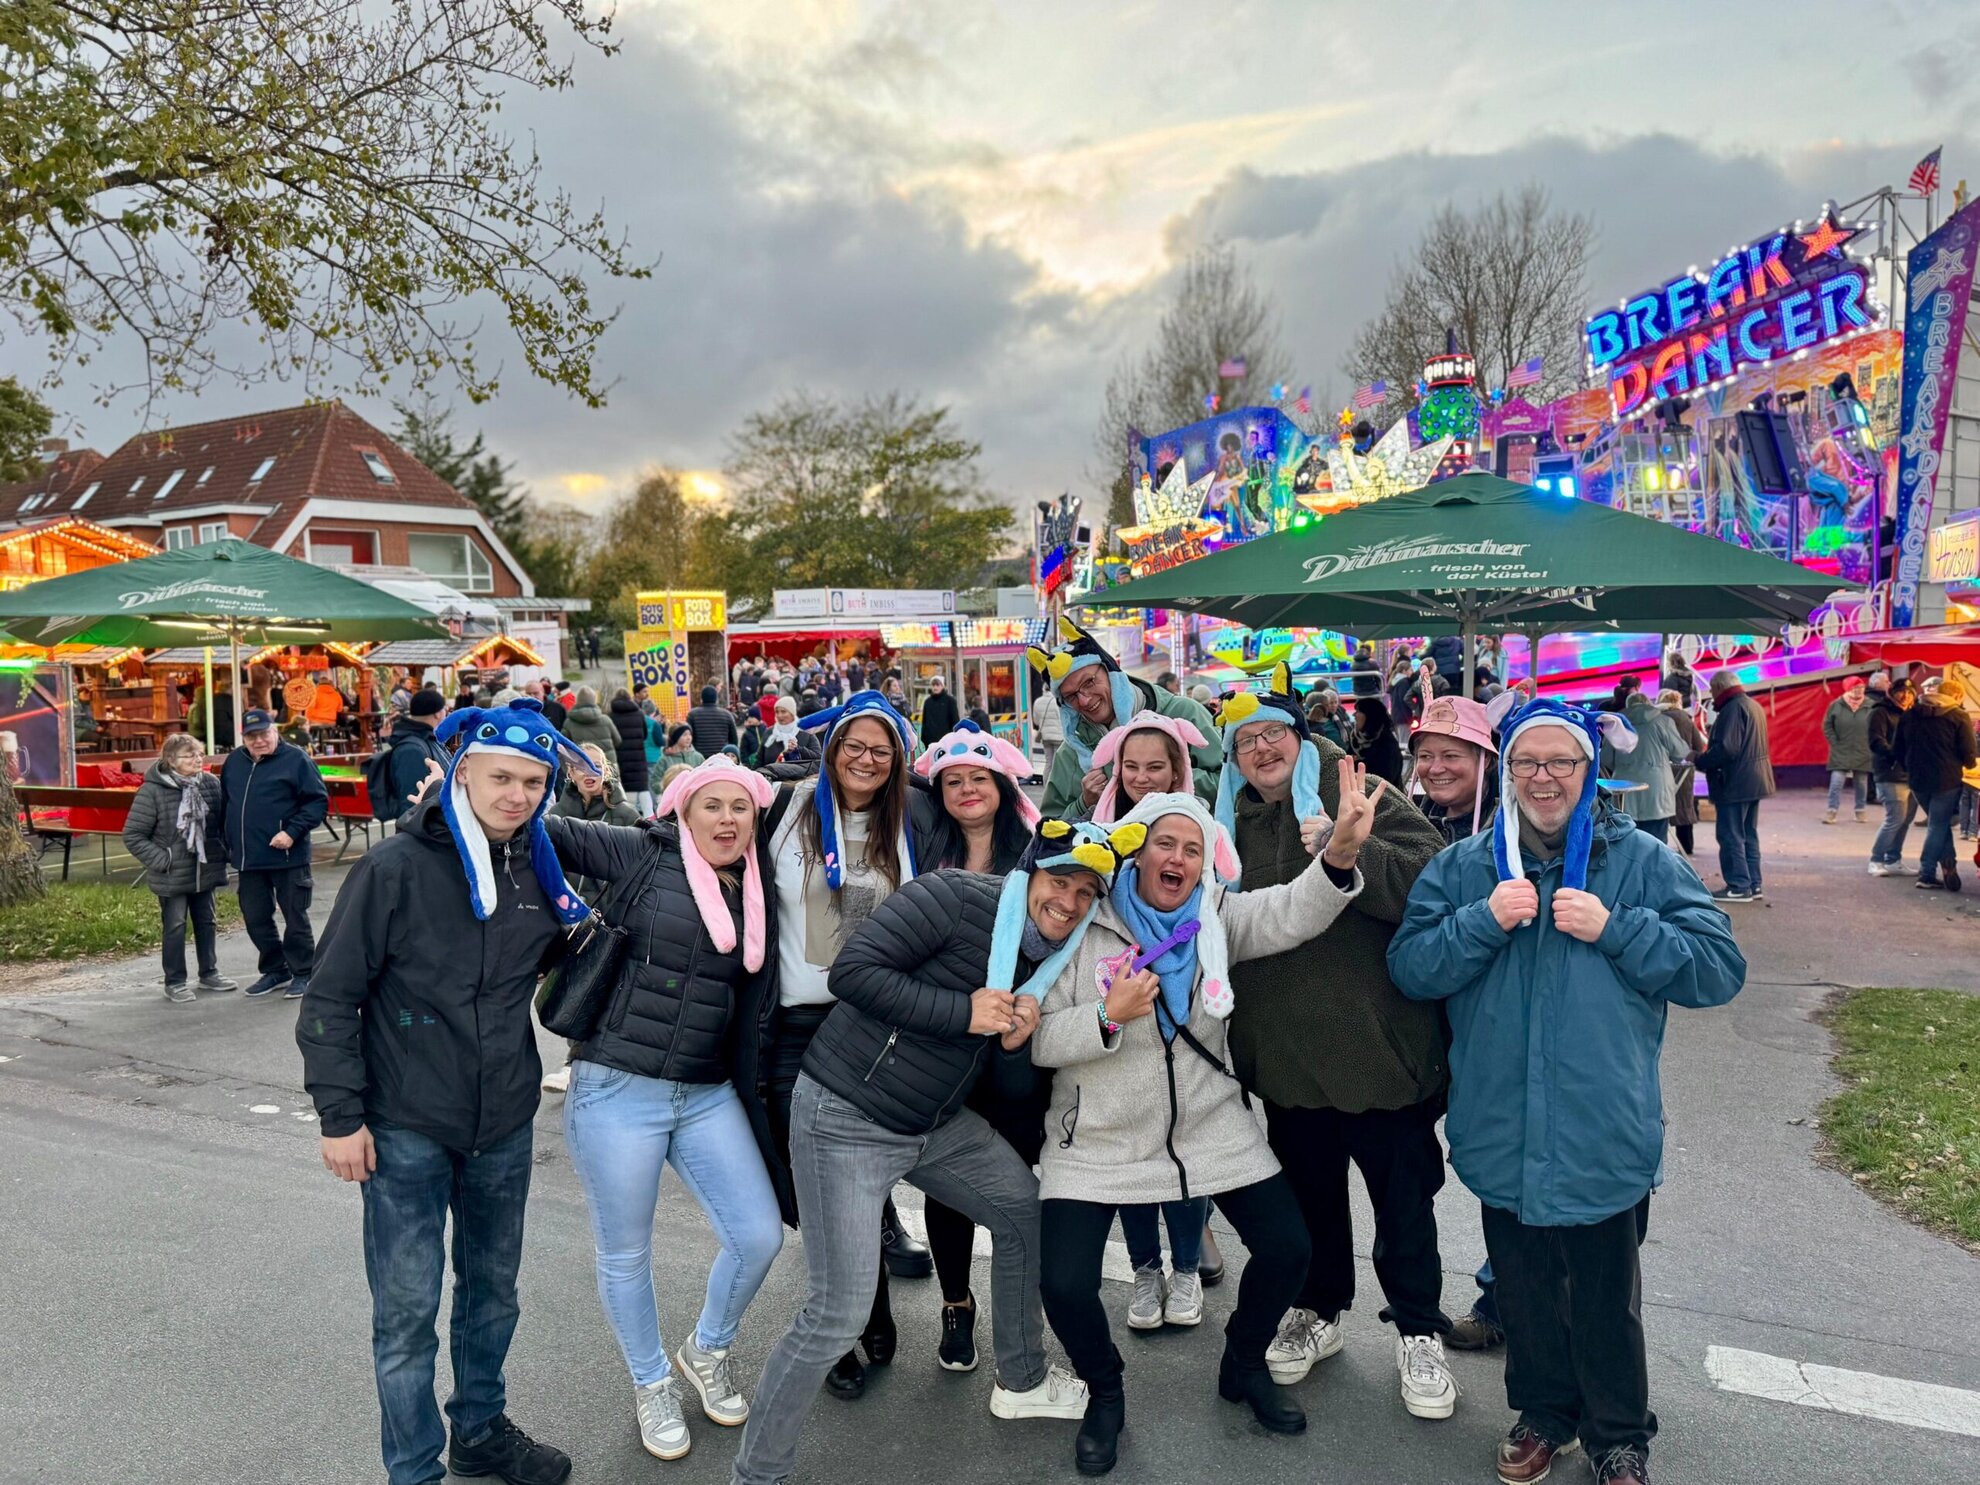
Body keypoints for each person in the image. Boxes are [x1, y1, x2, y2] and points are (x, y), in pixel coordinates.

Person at [1389, 695, 1746, 1485]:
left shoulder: (1642, 862)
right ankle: (1545, 1414)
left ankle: (1618, 1433)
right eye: (1528, 761)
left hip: (1601, 1126)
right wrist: (1481, 921)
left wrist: (1618, 927)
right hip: (1501, 1123)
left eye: (1560, 761)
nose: (1543, 776)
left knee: (1603, 1297)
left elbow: (1719, 969)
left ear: (1590, 768)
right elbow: (1411, 968)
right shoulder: (1466, 867)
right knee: (1522, 1290)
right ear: (1506, 771)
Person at [731, 821, 1113, 1485]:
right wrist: (962, 1012)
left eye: (1087, 893)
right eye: (1061, 881)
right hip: (844, 1115)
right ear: (1030, 871)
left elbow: (1002, 1072)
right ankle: (756, 1474)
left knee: (1024, 1210)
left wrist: (1015, 1041)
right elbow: (852, 973)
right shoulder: (954, 897)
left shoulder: (1047, 956)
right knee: (836, 1313)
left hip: (931, 1121)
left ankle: (1022, 1379)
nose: (1069, 902)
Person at [1032, 778, 1378, 1473]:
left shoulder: (1217, 914)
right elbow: (1038, 1037)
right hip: (1096, 1133)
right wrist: (1105, 1016)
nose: (1178, 859)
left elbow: (1291, 911)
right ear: (1137, 852)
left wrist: (1339, 853)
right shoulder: (1089, 918)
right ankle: (1105, 1390)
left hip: (1208, 1123)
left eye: (1192, 849)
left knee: (1288, 1249)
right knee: (1063, 1284)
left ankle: (1243, 1362)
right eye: (1165, 843)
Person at [300, 698, 595, 1485]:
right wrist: (340, 1116)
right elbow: (330, 998)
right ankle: (413, 1470)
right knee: (406, 1315)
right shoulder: (393, 868)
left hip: (502, 1119)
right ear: (463, 774)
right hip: (405, 1123)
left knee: (493, 1293)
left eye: (533, 781)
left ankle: (480, 1429)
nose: (517, 795)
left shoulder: (540, 868)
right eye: (501, 777)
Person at [1211, 669, 1456, 1424]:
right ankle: (1320, 1309)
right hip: (1287, 1062)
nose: (1261, 750)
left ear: (1300, 735)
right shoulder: (1226, 824)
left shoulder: (1363, 790)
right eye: (1245, 741)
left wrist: (1352, 846)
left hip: (1382, 1054)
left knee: (1403, 1209)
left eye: (1273, 734)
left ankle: (1419, 1329)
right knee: (1312, 1202)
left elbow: (1434, 883)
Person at [540, 758, 788, 1461]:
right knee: (626, 1253)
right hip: (617, 1087)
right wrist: (448, 799)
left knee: (759, 1235)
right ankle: (651, 1383)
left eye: (740, 808)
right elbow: (541, 827)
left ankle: (705, 1350)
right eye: (712, 805)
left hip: (705, 1090)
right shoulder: (642, 852)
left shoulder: (758, 883)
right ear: (683, 810)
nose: (727, 820)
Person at [735, 690, 940, 1404]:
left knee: (863, 1181)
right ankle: (841, 1328)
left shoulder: (912, 818)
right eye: (854, 745)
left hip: (875, 1027)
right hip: (795, 1027)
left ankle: (869, 1306)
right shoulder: (783, 807)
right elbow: (703, 827)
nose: (866, 759)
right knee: (819, 1189)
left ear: (898, 761)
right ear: (831, 749)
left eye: (882, 750)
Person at [907, 723, 1049, 1370]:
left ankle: (1019, 1315)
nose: (967, 789)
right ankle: (956, 1303)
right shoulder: (924, 852)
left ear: (1002, 785)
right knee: (950, 1180)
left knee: (1017, 1178)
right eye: (954, 781)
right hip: (944, 1038)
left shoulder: (1036, 852)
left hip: (1016, 1042)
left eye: (979, 778)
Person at [1076, 712, 1228, 1314]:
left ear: (1178, 770)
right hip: (1123, 1019)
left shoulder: (1200, 828)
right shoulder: (1097, 833)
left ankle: (1187, 1264)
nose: (1141, 778)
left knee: (1185, 1154)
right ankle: (1146, 1270)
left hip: (1187, 1026)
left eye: (1155, 767)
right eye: (1131, 767)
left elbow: (1230, 905)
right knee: (1136, 1162)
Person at [1032, 616, 1220, 817]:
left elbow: (1229, 782)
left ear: (1110, 671)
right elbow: (1049, 825)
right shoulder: (1070, 755)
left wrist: (1173, 776)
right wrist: (1083, 804)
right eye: (1071, 696)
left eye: (1089, 682)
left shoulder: (1183, 713)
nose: (1084, 700)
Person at [220, 708, 328, 1000]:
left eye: (264, 734)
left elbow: (317, 803)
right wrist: (226, 842)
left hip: (288, 855)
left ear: (275, 731)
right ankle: (275, 969)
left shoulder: (297, 760)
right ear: (243, 738)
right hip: (248, 857)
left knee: (295, 916)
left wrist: (292, 832)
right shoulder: (234, 762)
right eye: (251, 736)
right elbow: (226, 804)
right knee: (255, 916)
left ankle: (304, 972)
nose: (259, 741)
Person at [123, 733, 236, 1003]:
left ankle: (209, 973)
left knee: (207, 921)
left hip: (204, 867)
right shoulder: (152, 791)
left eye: (199, 754)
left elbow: (223, 823)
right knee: (175, 926)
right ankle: (175, 981)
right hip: (172, 872)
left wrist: (223, 850)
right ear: (171, 760)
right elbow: (133, 835)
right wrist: (164, 860)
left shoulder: (210, 784)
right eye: (189, 755)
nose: (197, 760)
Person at [1697, 670, 1774, 902]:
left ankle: (1738, 885)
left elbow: (1727, 749)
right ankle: (1753, 883)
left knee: (1730, 835)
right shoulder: (1752, 705)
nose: (1712, 695)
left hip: (1734, 782)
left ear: (1720, 687)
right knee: (1748, 833)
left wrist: (1700, 759)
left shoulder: (1732, 709)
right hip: (1754, 780)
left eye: (1712, 690)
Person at [1903, 677, 1976, 892]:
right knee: (1938, 824)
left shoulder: (1911, 714)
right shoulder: (1958, 715)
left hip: (1917, 778)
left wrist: (1909, 766)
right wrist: (1970, 764)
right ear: (1956, 696)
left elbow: (1899, 746)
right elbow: (1968, 750)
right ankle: (1926, 874)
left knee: (1939, 824)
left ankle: (1948, 864)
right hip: (1947, 778)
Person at [1602, 686, 1689, 845]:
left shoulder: (1617, 725)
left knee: (1627, 842)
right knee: (1657, 843)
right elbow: (1680, 753)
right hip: (1657, 790)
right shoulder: (1663, 721)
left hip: (1624, 790)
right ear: (1649, 704)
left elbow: (1606, 758)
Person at [1408, 695, 1499, 846]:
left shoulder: (1512, 831)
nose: (1435, 769)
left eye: (1450, 756)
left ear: (1486, 760)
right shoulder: (1405, 825)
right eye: (1425, 756)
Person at [1867, 675, 1918, 875]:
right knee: (1895, 818)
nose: (1905, 696)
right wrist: (1897, 755)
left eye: (1909, 693)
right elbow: (1876, 741)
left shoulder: (1913, 713)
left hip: (1911, 773)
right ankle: (1876, 859)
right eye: (1900, 692)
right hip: (1890, 772)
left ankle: (1893, 859)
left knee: (1905, 820)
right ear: (1892, 693)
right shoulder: (1880, 712)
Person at [384, 689, 450, 818]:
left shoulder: (428, 739)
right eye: (445, 709)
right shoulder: (411, 750)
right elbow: (411, 805)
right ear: (438, 714)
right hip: (431, 826)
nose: (447, 714)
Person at [1821, 675, 1875, 824]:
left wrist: (1871, 743)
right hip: (1841, 750)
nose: (1859, 690)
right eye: (1855, 687)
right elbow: (1827, 725)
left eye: (1861, 687)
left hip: (1863, 750)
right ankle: (1831, 811)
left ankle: (1860, 810)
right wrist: (1834, 742)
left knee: (1861, 783)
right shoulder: (1836, 705)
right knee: (1836, 782)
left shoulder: (1871, 705)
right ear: (1847, 689)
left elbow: (1877, 726)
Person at [1658, 691, 1705, 857]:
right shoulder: (1686, 719)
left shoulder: (1657, 718)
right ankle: (1687, 846)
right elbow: (1698, 745)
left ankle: (1661, 845)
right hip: (1684, 768)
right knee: (1684, 805)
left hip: (1662, 768)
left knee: (1661, 806)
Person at [608, 687, 654, 815]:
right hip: (638, 757)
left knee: (627, 790)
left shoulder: (611, 716)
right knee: (643, 788)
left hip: (621, 757)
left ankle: (631, 819)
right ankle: (650, 817)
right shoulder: (639, 713)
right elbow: (644, 735)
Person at [1351, 695, 1406, 787]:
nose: (1354, 715)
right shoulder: (1355, 739)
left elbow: (1384, 779)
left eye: (1358, 711)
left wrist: (1356, 764)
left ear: (1370, 716)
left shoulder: (1387, 744)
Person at [561, 685, 621, 764]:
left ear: (577, 700)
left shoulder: (569, 723)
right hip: (607, 764)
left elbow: (564, 746)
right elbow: (617, 741)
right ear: (594, 700)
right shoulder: (606, 720)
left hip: (583, 765)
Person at [687, 684, 739, 757]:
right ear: (716, 699)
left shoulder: (692, 715)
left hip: (700, 758)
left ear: (701, 699)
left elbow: (688, 738)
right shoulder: (727, 715)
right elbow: (734, 740)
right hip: (722, 757)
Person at [1031, 682, 1064, 781]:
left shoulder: (1037, 702)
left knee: (1048, 763)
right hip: (1058, 737)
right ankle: (1057, 785)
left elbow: (1036, 721)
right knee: (1058, 763)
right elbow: (1062, 719)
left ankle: (1046, 786)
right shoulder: (1057, 701)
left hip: (1045, 737)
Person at [919, 672, 961, 746]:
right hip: (931, 741)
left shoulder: (950, 701)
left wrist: (955, 737)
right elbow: (925, 722)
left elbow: (955, 720)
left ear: (942, 686)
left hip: (947, 740)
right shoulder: (928, 702)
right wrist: (924, 738)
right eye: (933, 685)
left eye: (938, 685)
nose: (935, 687)